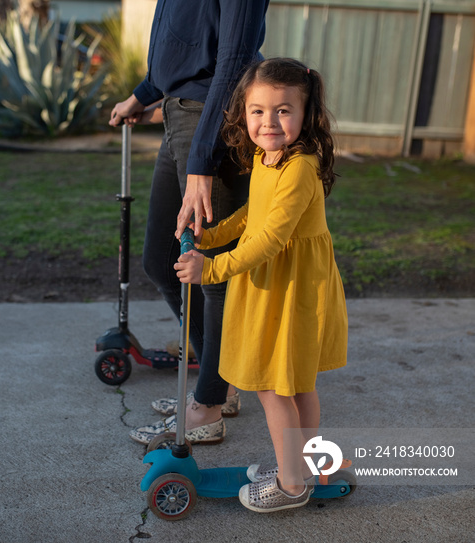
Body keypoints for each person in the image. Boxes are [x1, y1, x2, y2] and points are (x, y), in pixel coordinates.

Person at [174, 57, 348, 512]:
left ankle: (292, 484)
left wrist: (210, 269)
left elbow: (271, 238)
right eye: (257, 110)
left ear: (305, 114)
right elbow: (253, 215)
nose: (268, 122)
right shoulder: (268, 156)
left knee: (276, 386)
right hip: (279, 282)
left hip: (291, 288)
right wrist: (211, 237)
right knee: (296, 384)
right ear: (243, 112)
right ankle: (306, 465)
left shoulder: (299, 167)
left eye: (283, 111)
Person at [109, 0, 270, 445]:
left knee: (211, 273)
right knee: (162, 262)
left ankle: (209, 404)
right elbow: (184, 42)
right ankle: (219, 382)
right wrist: (143, 94)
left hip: (209, 119)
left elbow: (234, 60)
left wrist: (202, 158)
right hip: (178, 112)